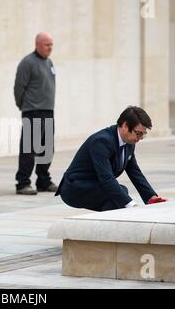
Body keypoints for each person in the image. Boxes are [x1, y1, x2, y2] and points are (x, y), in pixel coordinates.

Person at [55, 106, 166, 211]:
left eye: (143, 134)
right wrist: (132, 206)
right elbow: (106, 178)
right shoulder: (101, 141)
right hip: (75, 189)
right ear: (125, 126)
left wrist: (151, 197)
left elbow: (135, 173)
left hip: (95, 185)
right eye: (138, 133)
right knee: (119, 195)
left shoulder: (129, 142)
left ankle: (105, 228)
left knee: (119, 195)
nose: (140, 138)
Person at [14, 32, 58, 195]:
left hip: (48, 110)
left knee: (47, 148)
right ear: (37, 44)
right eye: (47, 45)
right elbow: (19, 87)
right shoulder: (27, 63)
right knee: (28, 149)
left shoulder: (49, 62)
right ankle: (23, 183)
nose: (50, 48)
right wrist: (23, 106)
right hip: (32, 111)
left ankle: (43, 181)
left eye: (51, 44)